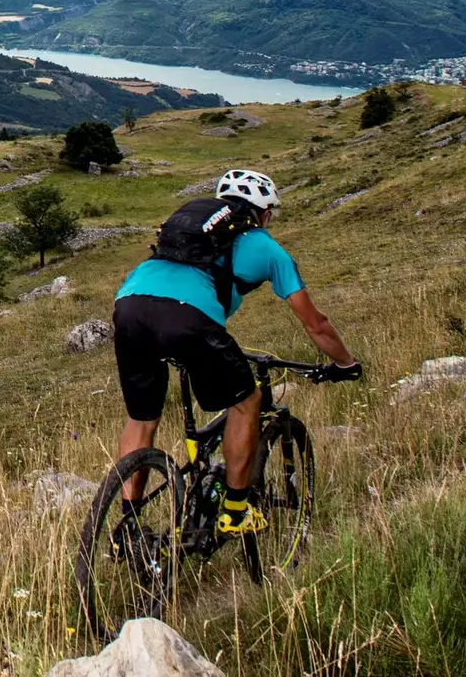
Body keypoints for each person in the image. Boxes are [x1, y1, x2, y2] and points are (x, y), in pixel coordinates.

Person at [111, 168, 361, 534]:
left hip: (129, 305)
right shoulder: (265, 246)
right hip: (188, 317)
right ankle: (235, 511)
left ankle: (127, 526)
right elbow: (316, 324)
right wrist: (346, 363)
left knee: (142, 419)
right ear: (263, 214)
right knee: (247, 401)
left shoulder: (191, 228)